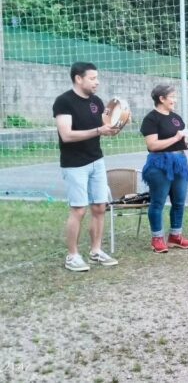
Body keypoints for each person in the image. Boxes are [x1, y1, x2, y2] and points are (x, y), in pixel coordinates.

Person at [54, 62, 121, 271]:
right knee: (79, 210)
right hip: (74, 164)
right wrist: (99, 131)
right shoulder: (64, 102)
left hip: (96, 161)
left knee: (100, 207)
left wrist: (116, 125)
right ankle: (72, 256)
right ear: (78, 78)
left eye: (97, 78)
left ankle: (96, 251)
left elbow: (104, 127)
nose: (97, 82)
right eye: (92, 78)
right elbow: (66, 135)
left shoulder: (96, 101)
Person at [140, 85, 188, 253]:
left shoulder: (176, 118)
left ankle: (175, 236)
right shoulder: (151, 119)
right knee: (158, 202)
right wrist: (176, 137)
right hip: (159, 163)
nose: (175, 100)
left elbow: (181, 142)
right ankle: (157, 238)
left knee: (179, 201)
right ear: (161, 99)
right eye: (172, 96)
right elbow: (152, 145)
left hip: (179, 162)